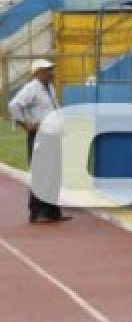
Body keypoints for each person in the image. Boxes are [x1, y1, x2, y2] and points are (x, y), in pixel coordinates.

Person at [7, 59, 71, 223]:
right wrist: (25, 124)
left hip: (53, 135)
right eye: (47, 70)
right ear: (37, 72)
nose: (51, 73)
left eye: (51, 70)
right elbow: (14, 105)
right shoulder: (31, 88)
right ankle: (37, 212)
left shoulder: (49, 87)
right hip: (40, 136)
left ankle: (53, 211)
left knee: (54, 174)